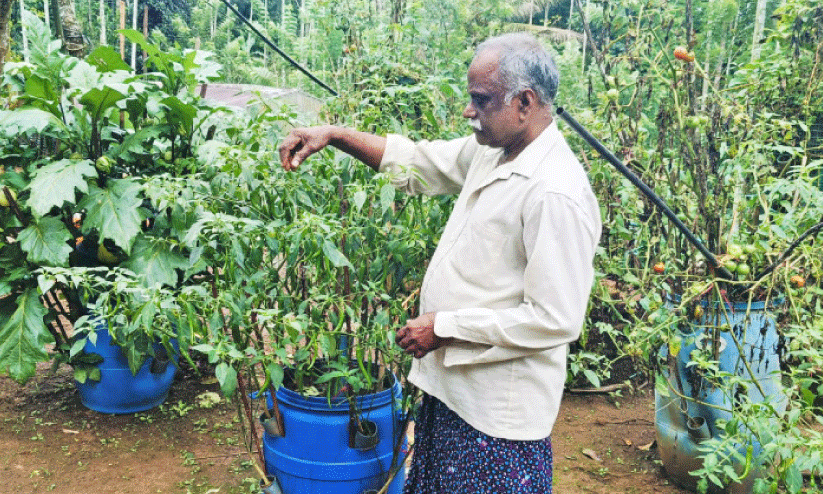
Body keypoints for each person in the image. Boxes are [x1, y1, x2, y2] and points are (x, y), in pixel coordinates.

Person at [279, 32, 601, 494]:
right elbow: (418, 162)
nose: (469, 111)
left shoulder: (554, 191)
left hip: (496, 421)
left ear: (525, 102)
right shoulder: (494, 150)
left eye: (480, 99)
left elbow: (555, 319)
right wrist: (334, 135)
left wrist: (446, 327)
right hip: (454, 394)